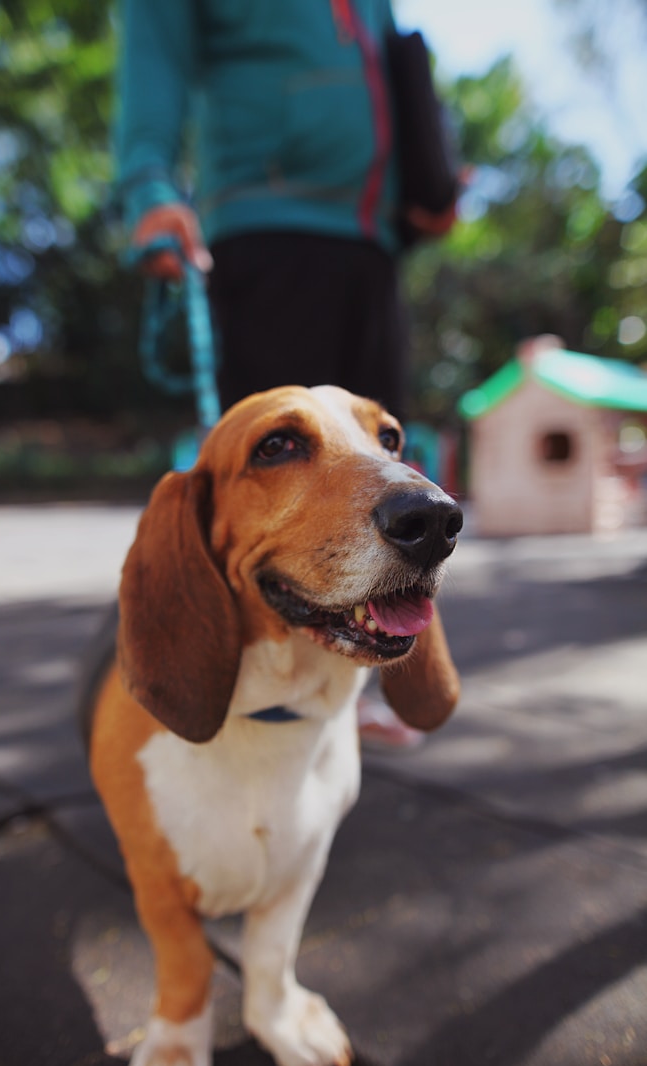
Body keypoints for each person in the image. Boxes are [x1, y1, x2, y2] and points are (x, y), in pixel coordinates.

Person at [114, 0, 458, 744]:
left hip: (375, 243)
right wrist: (148, 183)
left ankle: (353, 689)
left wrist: (427, 180)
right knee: (271, 477)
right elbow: (155, 47)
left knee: (375, 474)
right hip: (266, 227)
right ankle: (223, 681)